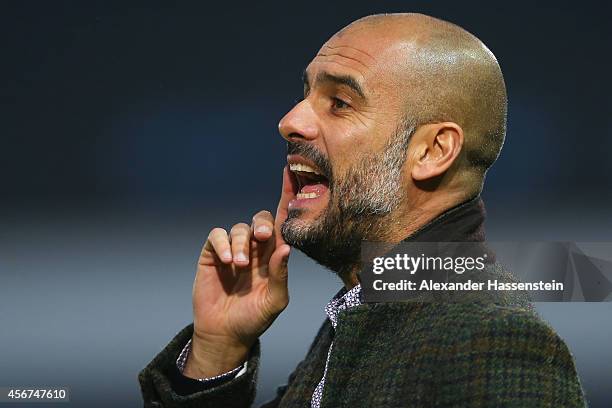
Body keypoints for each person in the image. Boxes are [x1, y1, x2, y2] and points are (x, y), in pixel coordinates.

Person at [139, 13, 586, 407]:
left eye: (339, 103)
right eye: (307, 94)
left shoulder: (493, 341)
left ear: (432, 151)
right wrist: (217, 351)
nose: (290, 120)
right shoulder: (371, 314)